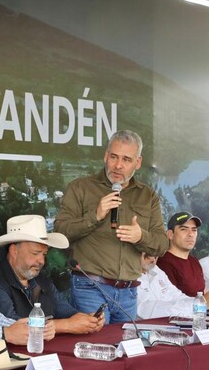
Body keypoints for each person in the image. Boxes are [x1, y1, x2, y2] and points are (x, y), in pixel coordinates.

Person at [54, 130, 166, 323]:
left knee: (126, 351)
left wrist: (141, 237)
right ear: (106, 156)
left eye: (126, 159)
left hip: (129, 291)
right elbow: (60, 233)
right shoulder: (81, 188)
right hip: (90, 287)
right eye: (114, 157)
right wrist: (95, 216)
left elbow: (162, 245)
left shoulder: (147, 196)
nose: (118, 165)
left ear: (137, 163)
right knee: (94, 349)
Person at [0, 215, 104, 334]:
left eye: (44, 254)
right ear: (14, 251)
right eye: (35, 253)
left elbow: (64, 310)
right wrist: (65, 325)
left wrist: (86, 319)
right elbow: (12, 326)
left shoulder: (40, 279)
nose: (41, 261)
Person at [137, 252, 209, 319]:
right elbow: (146, 310)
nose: (153, 258)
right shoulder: (125, 275)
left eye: (157, 252)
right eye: (148, 253)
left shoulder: (155, 270)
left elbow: (178, 297)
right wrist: (200, 304)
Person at [157, 212, 205, 297]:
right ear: (170, 234)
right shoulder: (163, 263)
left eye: (194, 230)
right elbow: (170, 300)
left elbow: (202, 292)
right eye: (184, 229)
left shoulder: (194, 261)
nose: (191, 234)